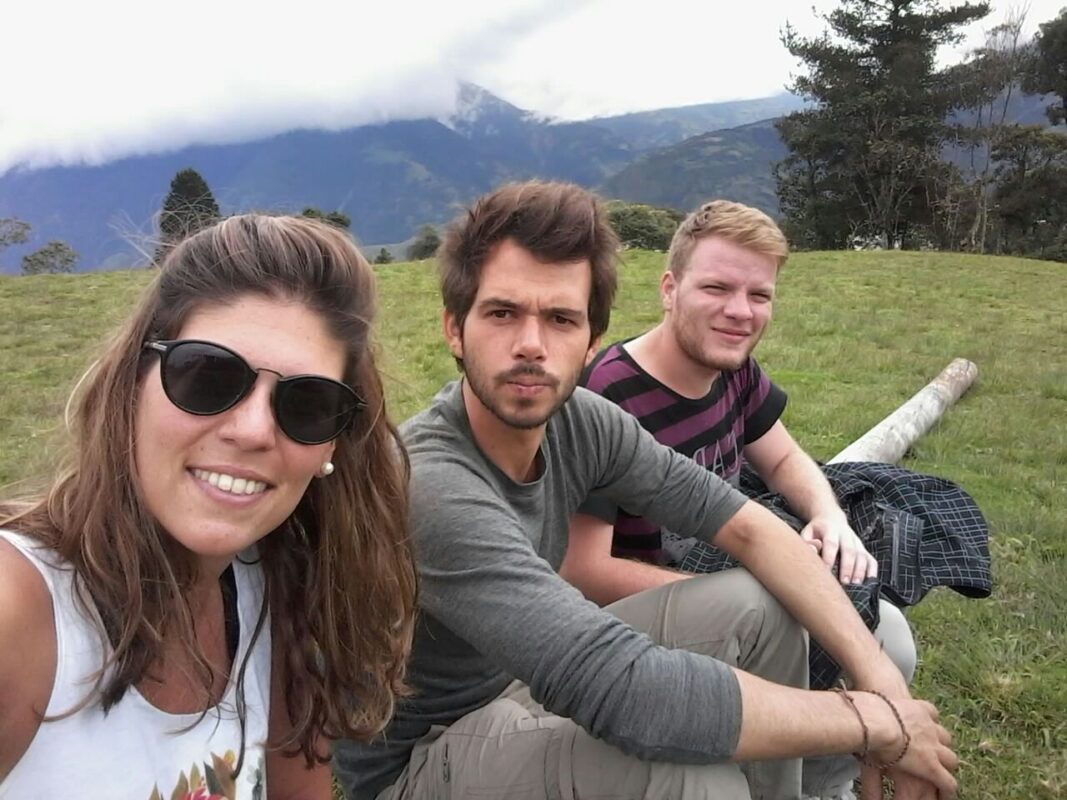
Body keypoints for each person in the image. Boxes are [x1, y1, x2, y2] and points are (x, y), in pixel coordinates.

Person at [332, 181, 958, 800]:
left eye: (560, 319)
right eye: (502, 313)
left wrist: (883, 683)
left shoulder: (584, 420)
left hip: (516, 685)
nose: (530, 345)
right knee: (691, 777)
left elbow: (748, 526)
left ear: (591, 340)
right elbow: (621, 689)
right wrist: (876, 724)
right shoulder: (429, 482)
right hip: (423, 756)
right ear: (454, 329)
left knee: (758, 603)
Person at [0, 214, 417, 798]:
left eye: (309, 404)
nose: (252, 430)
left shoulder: (275, 595)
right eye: (207, 375)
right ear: (131, 387)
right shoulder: (18, 612)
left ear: (332, 446)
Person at [563, 199, 917, 799]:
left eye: (760, 296)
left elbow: (780, 458)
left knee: (892, 639)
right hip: (650, 613)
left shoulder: (733, 368)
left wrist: (829, 514)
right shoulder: (608, 396)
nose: (740, 312)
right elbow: (583, 569)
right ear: (670, 288)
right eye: (717, 288)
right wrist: (748, 598)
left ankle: (824, 787)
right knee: (821, 643)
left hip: (737, 558)